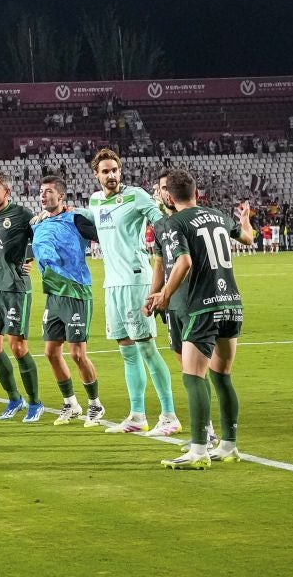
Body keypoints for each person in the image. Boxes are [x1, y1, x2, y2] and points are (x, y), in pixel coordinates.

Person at [147, 169, 254, 469]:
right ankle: (229, 446)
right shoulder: (218, 215)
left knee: (193, 376)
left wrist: (164, 295)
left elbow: (183, 262)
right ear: (196, 192)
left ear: (168, 197)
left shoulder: (172, 223)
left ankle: (198, 450)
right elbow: (248, 238)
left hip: (201, 307)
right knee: (222, 377)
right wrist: (245, 219)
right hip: (231, 303)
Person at [87, 150, 178, 437]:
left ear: (120, 171)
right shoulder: (95, 200)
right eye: (105, 171)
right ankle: (137, 415)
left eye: (115, 170)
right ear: (96, 174)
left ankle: (169, 415)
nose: (111, 175)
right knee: (127, 350)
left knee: (147, 348)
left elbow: (162, 223)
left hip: (136, 281)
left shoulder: (136, 196)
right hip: (112, 284)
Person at [33, 176, 103, 426]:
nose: (43, 195)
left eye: (49, 191)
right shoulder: (39, 223)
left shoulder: (76, 219)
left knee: (77, 354)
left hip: (75, 292)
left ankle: (95, 404)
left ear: (61, 196)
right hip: (53, 295)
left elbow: (104, 233)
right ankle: (70, 403)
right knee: (51, 352)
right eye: (41, 191)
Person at [0, 171, 43, 421]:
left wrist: (31, 259)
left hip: (17, 287)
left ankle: (35, 403)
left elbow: (43, 237)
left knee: (17, 346)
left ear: (7, 191)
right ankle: (14, 398)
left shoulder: (22, 214)